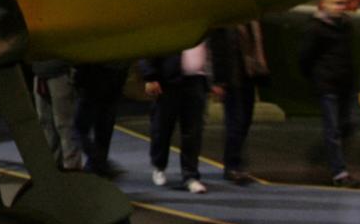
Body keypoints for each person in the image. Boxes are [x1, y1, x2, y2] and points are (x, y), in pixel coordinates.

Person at [299, 0, 360, 187]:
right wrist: (318, 78)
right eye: (336, 3)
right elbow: (305, 57)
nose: (341, 7)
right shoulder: (315, 28)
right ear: (323, 4)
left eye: (343, 3)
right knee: (333, 129)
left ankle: (334, 162)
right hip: (328, 86)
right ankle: (339, 172)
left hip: (345, 85)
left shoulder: (346, 26)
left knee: (351, 123)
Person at [138, 39, 212, 193]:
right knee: (162, 128)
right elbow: (149, 46)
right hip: (168, 81)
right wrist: (150, 76)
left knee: (193, 131)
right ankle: (159, 166)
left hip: (197, 81)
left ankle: (190, 176)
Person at [209, 20, 270, 184]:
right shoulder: (223, 23)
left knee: (245, 121)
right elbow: (217, 51)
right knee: (235, 123)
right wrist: (218, 81)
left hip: (248, 76)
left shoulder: (253, 23)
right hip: (231, 79)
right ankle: (232, 166)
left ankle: (239, 163)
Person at [71, 61, 128, 177]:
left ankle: (99, 162)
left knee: (78, 130)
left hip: (91, 88)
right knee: (103, 132)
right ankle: (99, 166)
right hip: (112, 87)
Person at [29, 60, 84, 171]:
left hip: (60, 74)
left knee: (65, 125)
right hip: (40, 74)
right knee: (45, 123)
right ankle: (52, 168)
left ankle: (73, 170)